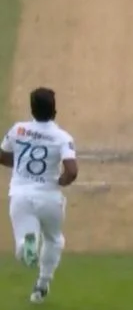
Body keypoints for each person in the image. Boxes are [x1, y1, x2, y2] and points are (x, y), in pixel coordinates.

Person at [1, 88, 77, 304]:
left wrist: (22, 166)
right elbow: (71, 171)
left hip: (21, 196)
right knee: (54, 239)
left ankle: (26, 247)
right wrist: (60, 181)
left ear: (32, 109)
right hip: (49, 197)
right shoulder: (62, 137)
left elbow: (3, 156)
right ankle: (42, 286)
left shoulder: (18, 130)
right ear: (55, 111)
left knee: (23, 245)